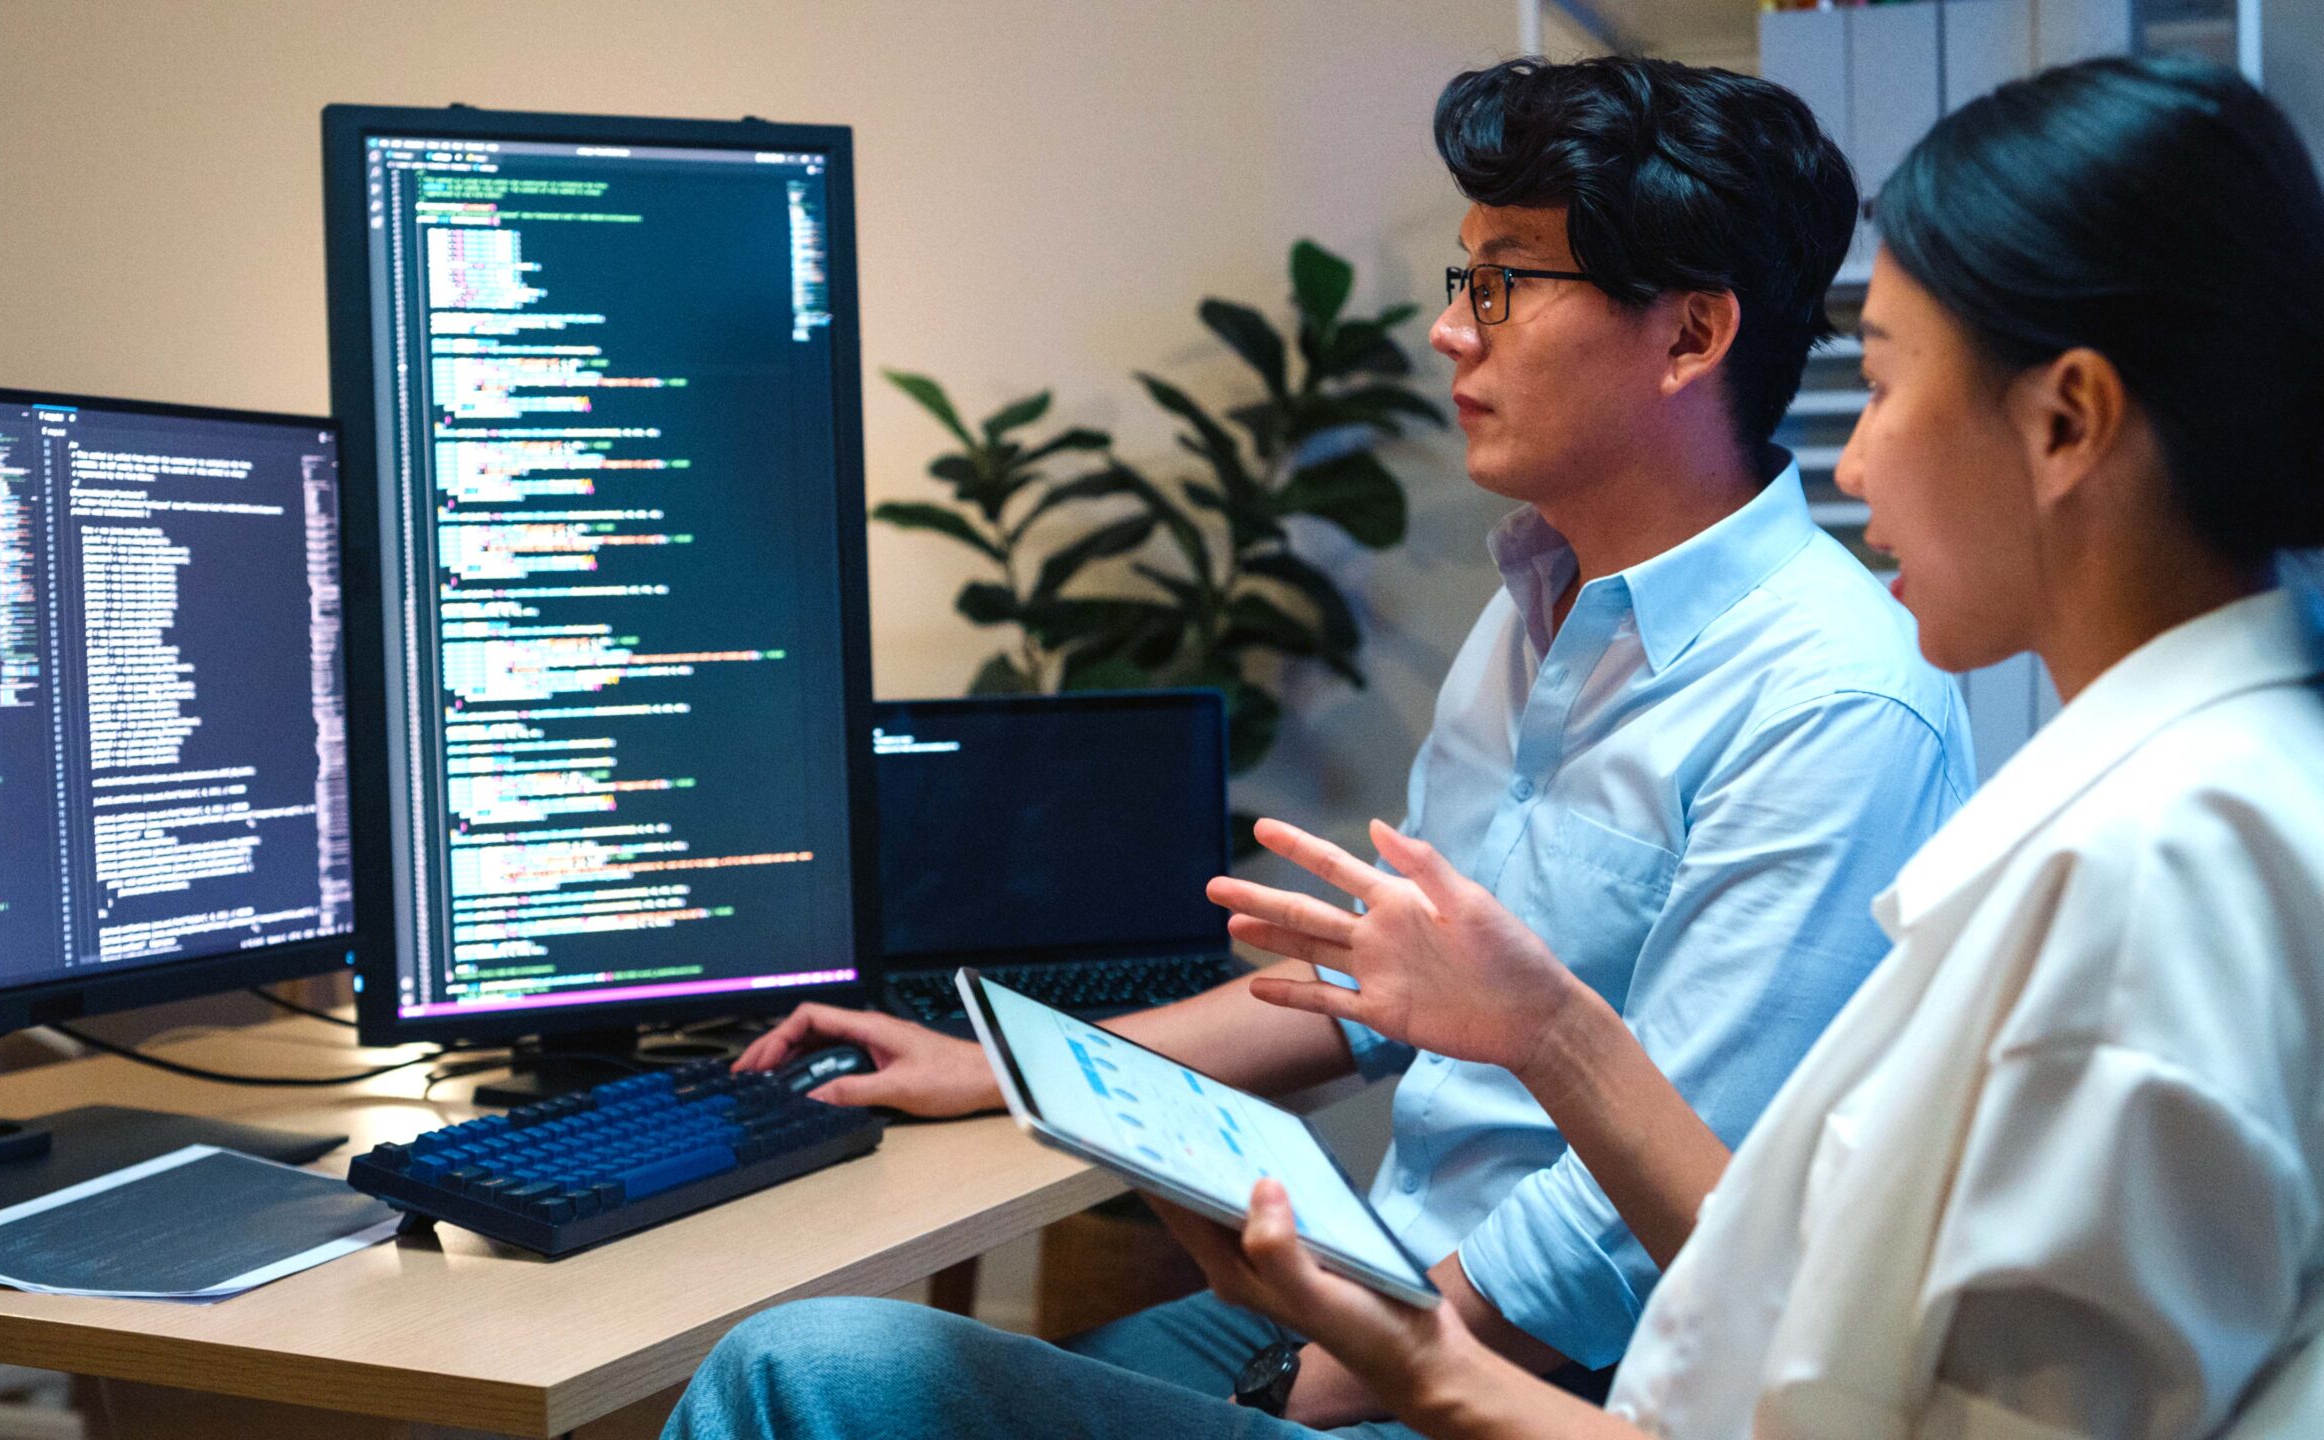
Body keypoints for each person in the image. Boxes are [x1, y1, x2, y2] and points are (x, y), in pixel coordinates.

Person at [668, 55, 1971, 1438]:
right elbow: (1365, 997)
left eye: (1504, 284)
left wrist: (1334, 1368)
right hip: (1375, 1295)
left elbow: (1655, 1218)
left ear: (1691, 335)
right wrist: (1013, 1064)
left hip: (1529, 1382)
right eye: (1462, 280)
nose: (1449, 332)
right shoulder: (1537, 607)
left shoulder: (1832, 703)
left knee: (804, 1372)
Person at [1178, 53, 2324, 1440]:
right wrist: (1545, 1031)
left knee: (855, 1366)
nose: (1853, 463)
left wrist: (1425, 1374)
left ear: (2066, 421)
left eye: (1891, 388)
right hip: (1527, 1357)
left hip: (1537, 1382)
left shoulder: (2154, 876)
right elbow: (1812, 1281)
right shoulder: (2183, 800)